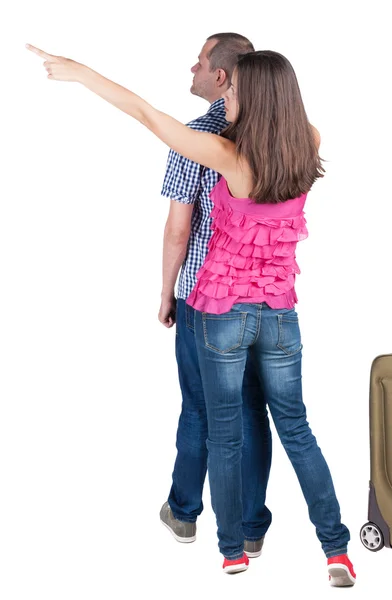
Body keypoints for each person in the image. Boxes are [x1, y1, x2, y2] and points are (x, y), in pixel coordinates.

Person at [26, 42, 356, 587]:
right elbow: (286, 113)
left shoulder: (227, 157)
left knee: (223, 432)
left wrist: (84, 72)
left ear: (252, 97)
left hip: (220, 313)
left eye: (233, 92)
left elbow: (145, 115)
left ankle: (232, 553)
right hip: (280, 315)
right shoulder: (309, 145)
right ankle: (336, 551)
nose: (225, 100)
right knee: (296, 430)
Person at [156, 33, 272, 559]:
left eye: (201, 60)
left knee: (201, 407)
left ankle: (184, 513)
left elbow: (179, 228)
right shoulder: (276, 131)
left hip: (206, 296)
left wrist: (166, 290)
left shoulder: (193, 137)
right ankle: (251, 525)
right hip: (266, 296)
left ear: (221, 76)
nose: (194, 66)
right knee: (252, 409)